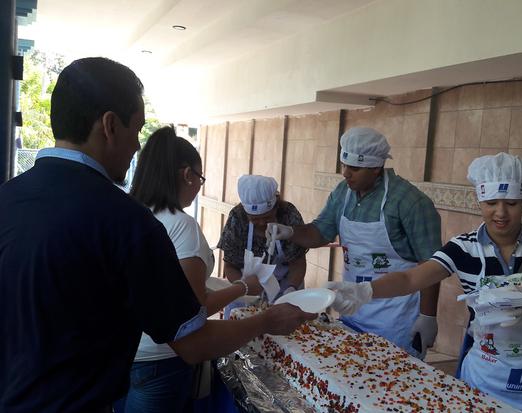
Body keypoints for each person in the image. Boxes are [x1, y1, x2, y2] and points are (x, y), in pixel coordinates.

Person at [0, 57, 315, 413]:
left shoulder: (8, 198)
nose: (136, 147)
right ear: (109, 125)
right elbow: (193, 343)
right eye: (135, 131)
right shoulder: (125, 221)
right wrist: (268, 320)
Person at [326, 152, 522, 413]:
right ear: (479, 201)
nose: (501, 213)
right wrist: (365, 290)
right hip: (486, 379)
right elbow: (410, 278)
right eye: (491, 202)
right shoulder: (464, 248)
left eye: (511, 203)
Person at [266, 127, 442, 358]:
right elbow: (320, 233)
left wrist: (427, 316)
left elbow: (432, 264)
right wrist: (289, 232)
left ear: (376, 168)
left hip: (395, 318)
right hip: (353, 308)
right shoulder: (343, 193)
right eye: (344, 165)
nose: (346, 174)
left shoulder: (410, 202)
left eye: (355, 168)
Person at [123, 126, 264, 412]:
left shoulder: (132, 213)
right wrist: (244, 287)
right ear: (187, 174)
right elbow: (192, 312)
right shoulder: (182, 225)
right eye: (200, 178)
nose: (200, 186)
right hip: (161, 360)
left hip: (125, 353)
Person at [217, 175, 307, 318]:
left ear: (276, 206)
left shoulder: (289, 215)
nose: (261, 223)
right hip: (246, 293)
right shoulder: (237, 218)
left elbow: (298, 263)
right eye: (254, 219)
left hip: (284, 289)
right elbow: (229, 266)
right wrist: (244, 288)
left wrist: (291, 289)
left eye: (267, 217)